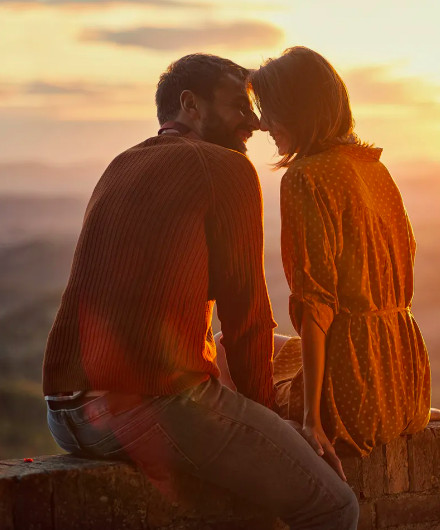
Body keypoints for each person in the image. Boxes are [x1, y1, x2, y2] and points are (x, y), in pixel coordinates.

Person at [42, 53, 359, 529]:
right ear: (190, 105)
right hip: (151, 405)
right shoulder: (225, 168)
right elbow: (246, 316)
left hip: (66, 416)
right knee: (335, 507)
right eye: (238, 105)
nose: (255, 122)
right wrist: (270, 424)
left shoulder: (121, 163)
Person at [235, 47, 440, 480]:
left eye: (271, 111)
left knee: (230, 359)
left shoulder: (304, 178)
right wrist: (403, 392)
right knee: (271, 346)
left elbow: (316, 304)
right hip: (404, 381)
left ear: (299, 111)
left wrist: (311, 420)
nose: (263, 124)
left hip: (352, 393)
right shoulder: (374, 169)